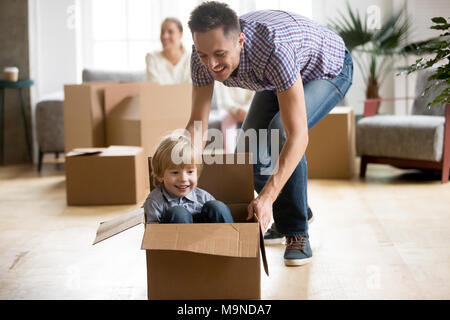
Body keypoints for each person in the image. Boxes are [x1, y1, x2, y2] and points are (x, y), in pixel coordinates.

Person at [185, 2, 353, 266]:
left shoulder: (273, 49)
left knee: (280, 132)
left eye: (219, 54)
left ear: (240, 40)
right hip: (277, 79)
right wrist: (181, 169)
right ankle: (296, 209)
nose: (212, 65)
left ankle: (297, 232)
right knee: (247, 153)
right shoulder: (200, 57)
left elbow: (297, 135)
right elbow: (198, 124)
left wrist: (267, 197)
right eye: (204, 55)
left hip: (327, 68)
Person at [144, 133, 234, 224]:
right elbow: (152, 232)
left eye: (190, 172)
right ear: (160, 176)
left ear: (197, 174)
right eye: (175, 172)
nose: (183, 179)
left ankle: (230, 236)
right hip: (173, 237)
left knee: (217, 207)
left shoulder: (203, 197)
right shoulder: (154, 201)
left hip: (206, 235)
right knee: (178, 213)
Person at [145, 17, 191, 84]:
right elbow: (154, 90)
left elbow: (192, 88)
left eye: (170, 32)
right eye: (162, 32)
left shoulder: (191, 58)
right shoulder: (152, 57)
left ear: (180, 35)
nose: (165, 36)